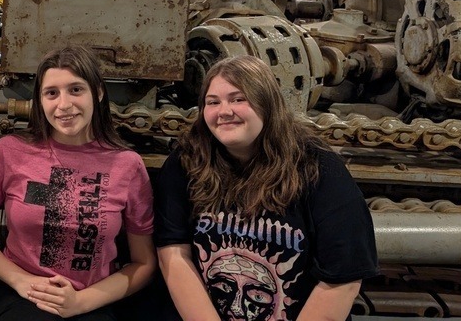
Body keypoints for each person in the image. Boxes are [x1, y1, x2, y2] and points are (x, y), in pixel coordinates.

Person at [154, 55, 379, 321]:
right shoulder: (187, 162)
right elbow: (173, 253)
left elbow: (343, 278)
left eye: (238, 99)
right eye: (213, 102)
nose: (224, 111)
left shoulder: (317, 167)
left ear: (266, 103)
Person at [0, 45, 157, 321]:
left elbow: (143, 262)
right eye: (51, 93)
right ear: (40, 100)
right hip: (19, 293)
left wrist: (81, 301)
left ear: (98, 93)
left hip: (92, 297)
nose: (64, 105)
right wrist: (20, 280)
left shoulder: (127, 165)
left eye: (76, 90)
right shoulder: (10, 152)